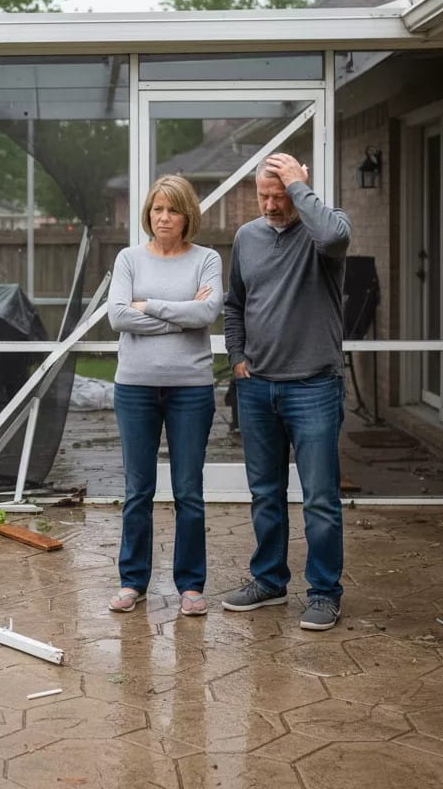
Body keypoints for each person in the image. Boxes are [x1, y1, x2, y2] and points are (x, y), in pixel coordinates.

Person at [222, 152, 351, 631]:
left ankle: (324, 593)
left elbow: (334, 238)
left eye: (281, 196)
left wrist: (299, 185)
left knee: (319, 498)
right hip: (258, 386)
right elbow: (235, 303)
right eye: (264, 196)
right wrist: (237, 356)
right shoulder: (247, 237)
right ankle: (269, 580)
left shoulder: (326, 228)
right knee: (265, 494)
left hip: (314, 385)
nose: (272, 205)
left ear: (299, 190)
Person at [107, 174, 223, 617]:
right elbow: (118, 317)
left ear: (187, 214)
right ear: (148, 213)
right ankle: (132, 581)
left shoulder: (206, 259)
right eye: (157, 209)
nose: (164, 217)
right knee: (138, 490)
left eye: (173, 209)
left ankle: (190, 585)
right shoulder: (129, 258)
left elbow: (208, 312)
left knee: (188, 491)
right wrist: (181, 317)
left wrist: (149, 305)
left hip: (190, 390)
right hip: (135, 387)